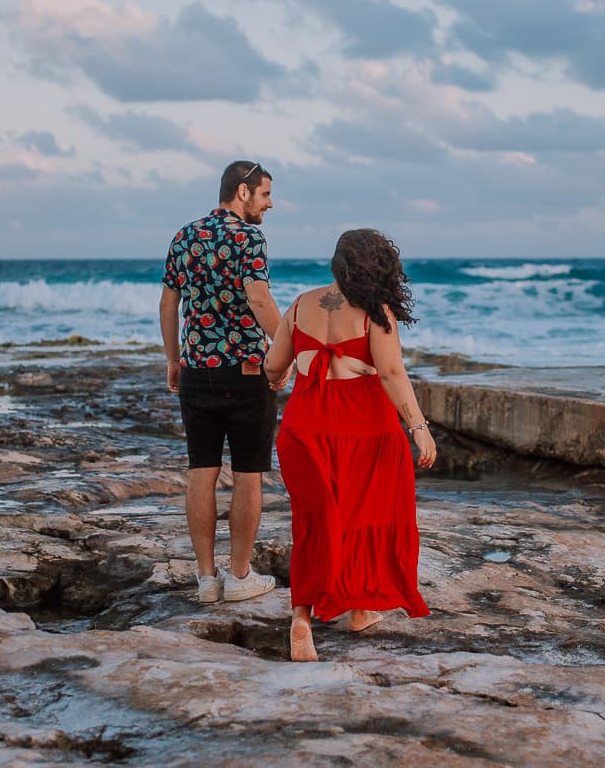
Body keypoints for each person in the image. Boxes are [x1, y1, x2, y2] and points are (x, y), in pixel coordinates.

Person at [263, 228, 437, 661]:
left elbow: (273, 365)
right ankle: (361, 608)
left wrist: (281, 375)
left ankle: (302, 618)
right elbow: (393, 375)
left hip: (303, 430)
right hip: (366, 432)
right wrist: (419, 428)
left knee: (314, 524)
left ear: (336, 264)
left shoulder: (302, 304)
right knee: (369, 515)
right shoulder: (375, 313)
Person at [159, 160, 288, 605]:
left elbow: (168, 301)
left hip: (196, 372)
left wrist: (174, 360)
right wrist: (284, 350)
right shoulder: (248, 237)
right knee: (249, 474)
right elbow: (258, 296)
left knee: (202, 470)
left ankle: (206, 579)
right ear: (243, 192)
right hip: (247, 373)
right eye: (265, 194)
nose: (269, 204)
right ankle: (239, 577)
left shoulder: (186, 234)